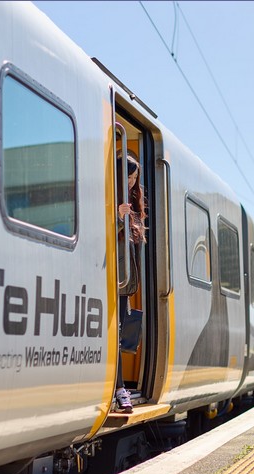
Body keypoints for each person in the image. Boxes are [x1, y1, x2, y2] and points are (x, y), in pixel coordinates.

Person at [113, 154, 147, 413]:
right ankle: (119, 389)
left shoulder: (132, 208)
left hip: (124, 284)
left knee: (121, 336)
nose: (132, 183)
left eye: (135, 178)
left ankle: (119, 388)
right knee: (114, 337)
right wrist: (116, 218)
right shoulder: (109, 203)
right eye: (128, 176)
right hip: (110, 282)